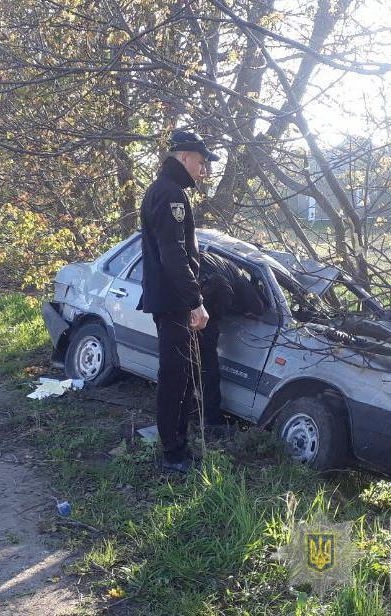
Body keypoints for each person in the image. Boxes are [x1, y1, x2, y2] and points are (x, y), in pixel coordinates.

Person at [137, 130, 219, 474]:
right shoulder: (169, 195)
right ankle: (172, 454)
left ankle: (179, 446)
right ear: (183, 157)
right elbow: (174, 254)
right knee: (174, 377)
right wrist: (194, 301)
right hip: (173, 302)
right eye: (201, 162)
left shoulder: (168, 191)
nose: (204, 170)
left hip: (172, 300)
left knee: (183, 375)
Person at [197, 250, 267, 437]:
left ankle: (182, 410)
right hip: (198, 314)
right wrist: (228, 312)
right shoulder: (236, 275)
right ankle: (211, 420)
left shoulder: (202, 258)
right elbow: (259, 307)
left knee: (186, 363)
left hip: (183, 309)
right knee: (209, 369)